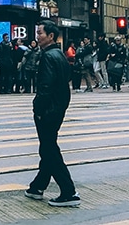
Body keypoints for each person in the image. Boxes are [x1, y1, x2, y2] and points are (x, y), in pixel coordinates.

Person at [25, 20, 79, 207]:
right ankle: (38, 186)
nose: (37, 36)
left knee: (49, 149)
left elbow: (46, 87)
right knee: (47, 147)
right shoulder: (59, 55)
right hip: (58, 107)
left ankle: (68, 191)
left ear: (51, 36)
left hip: (49, 109)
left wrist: (38, 109)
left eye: (40, 33)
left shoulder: (49, 56)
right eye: (37, 32)